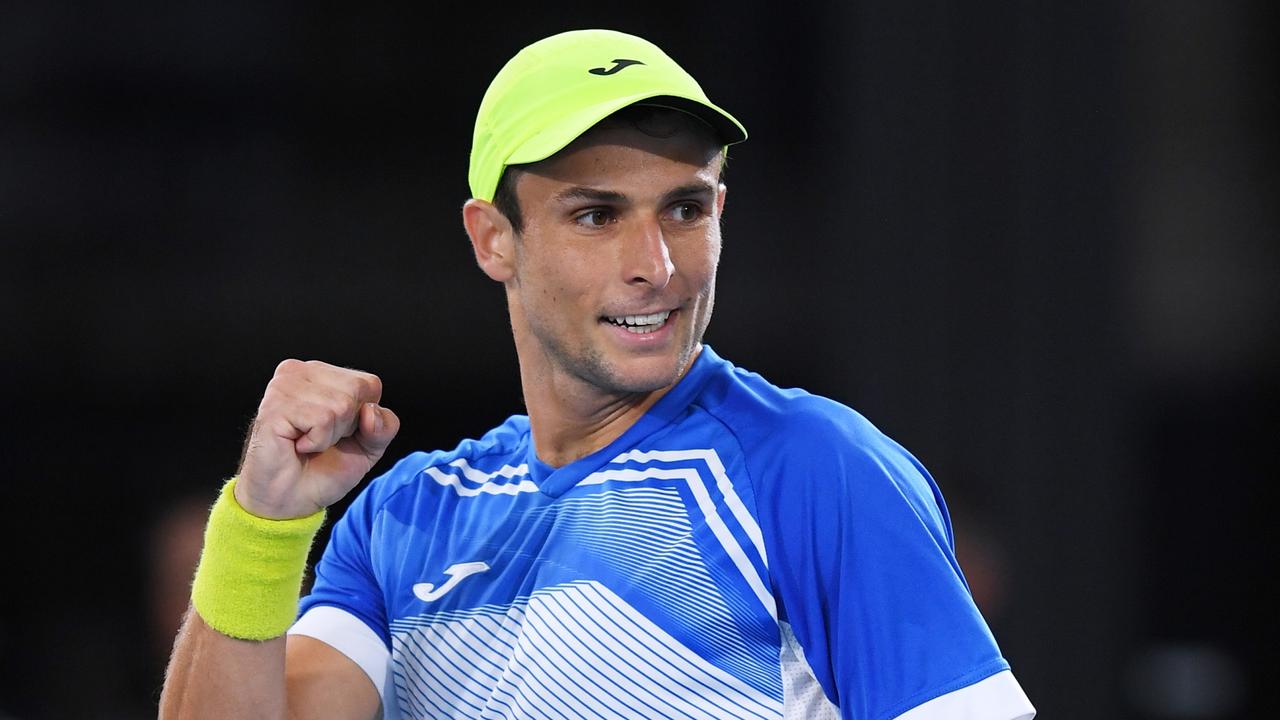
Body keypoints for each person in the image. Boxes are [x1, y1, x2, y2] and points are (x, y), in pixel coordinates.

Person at [159, 29, 1036, 720]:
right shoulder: (406, 518)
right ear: (492, 238)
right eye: (595, 215)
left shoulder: (814, 468)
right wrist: (263, 527)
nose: (655, 264)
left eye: (686, 209)